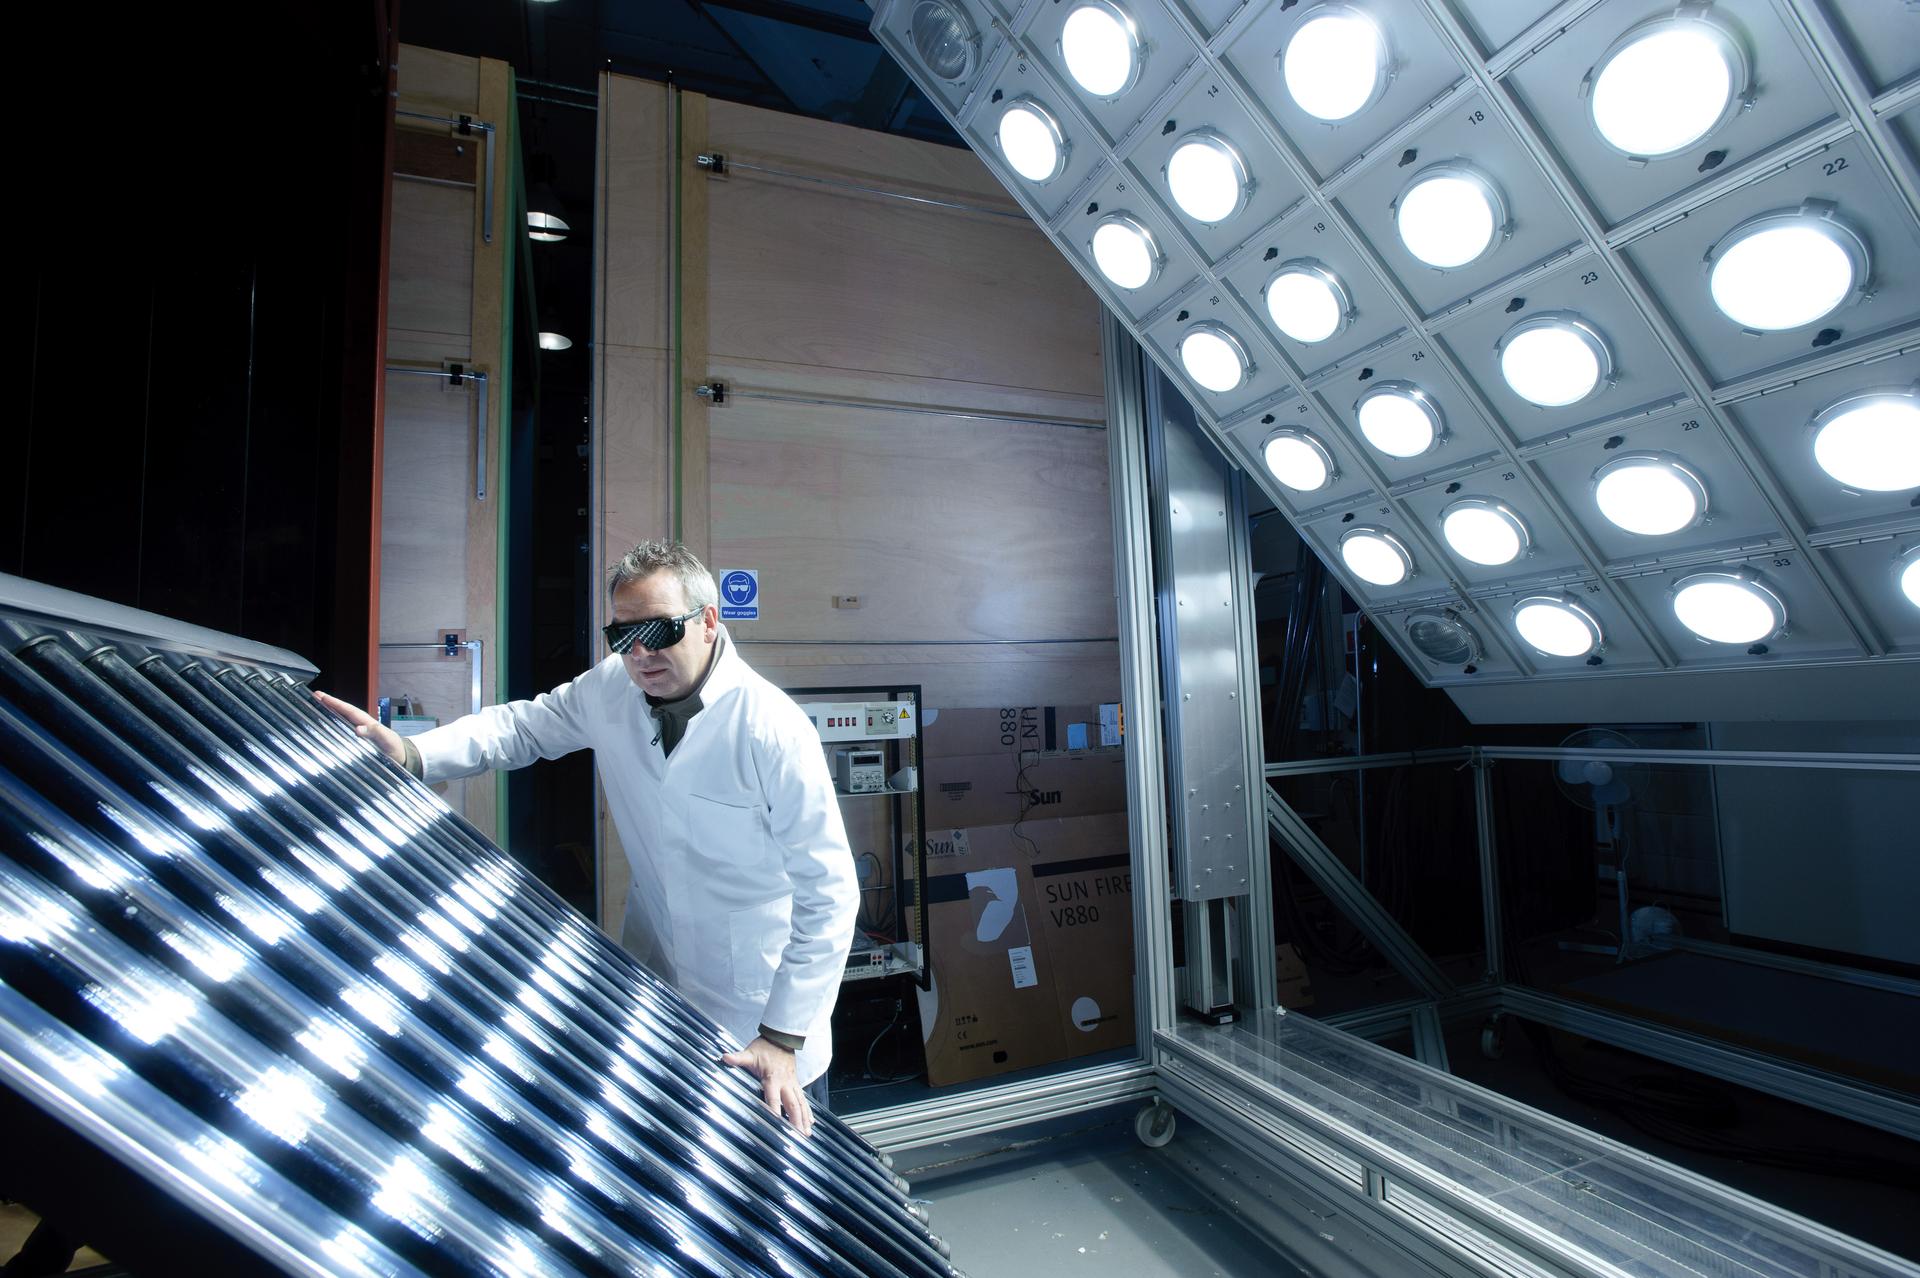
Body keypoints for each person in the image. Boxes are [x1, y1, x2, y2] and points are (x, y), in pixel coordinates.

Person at [316, 540, 856, 1135]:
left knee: (781, 1193)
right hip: (661, 987)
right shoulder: (612, 690)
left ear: (707, 622)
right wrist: (416, 751)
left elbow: (829, 895)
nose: (641, 654)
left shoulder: (771, 728)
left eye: (660, 630)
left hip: (762, 1016)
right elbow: (522, 728)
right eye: (623, 636)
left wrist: (781, 1036)